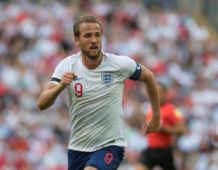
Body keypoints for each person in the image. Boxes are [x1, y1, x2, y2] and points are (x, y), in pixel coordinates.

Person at [37, 14, 161, 170]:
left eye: (97, 35)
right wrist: (60, 86)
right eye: (88, 35)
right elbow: (42, 103)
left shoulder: (118, 64)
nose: (94, 40)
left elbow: (149, 76)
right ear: (77, 40)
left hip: (110, 146)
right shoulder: (67, 66)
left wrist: (156, 114)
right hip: (77, 148)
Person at [135, 82, 189, 170]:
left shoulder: (171, 109)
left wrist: (164, 129)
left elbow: (183, 130)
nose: (156, 95)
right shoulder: (151, 109)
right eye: (154, 92)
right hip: (151, 149)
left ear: (166, 93)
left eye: (159, 92)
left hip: (165, 151)